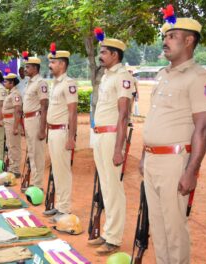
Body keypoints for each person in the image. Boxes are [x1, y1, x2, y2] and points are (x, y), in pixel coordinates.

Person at [140, 16, 206, 263]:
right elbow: (154, 118)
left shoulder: (198, 77)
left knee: (174, 229)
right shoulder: (163, 75)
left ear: (189, 40)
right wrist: (144, 155)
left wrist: (191, 170)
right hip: (152, 159)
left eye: (172, 36)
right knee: (158, 228)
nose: (165, 41)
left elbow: (203, 128)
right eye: (165, 36)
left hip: (174, 162)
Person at [87, 37, 135, 255]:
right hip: (100, 136)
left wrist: (119, 148)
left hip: (112, 137)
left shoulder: (122, 77)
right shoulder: (107, 77)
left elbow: (124, 114)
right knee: (105, 186)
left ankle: (114, 239)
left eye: (104, 52)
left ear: (115, 55)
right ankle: (108, 232)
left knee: (113, 188)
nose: (100, 55)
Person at [43, 47, 78, 222]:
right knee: (56, 171)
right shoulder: (56, 83)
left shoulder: (68, 83)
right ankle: (59, 205)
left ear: (62, 64)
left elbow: (73, 112)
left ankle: (64, 208)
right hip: (53, 131)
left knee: (63, 171)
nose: (50, 65)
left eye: (53, 62)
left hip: (62, 132)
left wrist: (71, 137)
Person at [23, 57, 48, 189]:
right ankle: (34, 181)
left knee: (37, 153)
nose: (25, 69)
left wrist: (42, 129)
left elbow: (44, 106)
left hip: (36, 120)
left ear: (35, 68)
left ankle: (37, 184)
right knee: (32, 152)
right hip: (28, 119)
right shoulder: (30, 83)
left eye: (28, 67)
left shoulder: (40, 83)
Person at [2, 72, 23, 177]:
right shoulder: (10, 93)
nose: (4, 83)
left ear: (12, 83)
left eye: (6, 81)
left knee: (14, 145)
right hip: (8, 121)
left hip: (12, 121)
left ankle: (15, 169)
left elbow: (18, 110)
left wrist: (15, 127)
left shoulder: (16, 94)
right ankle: (12, 167)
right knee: (10, 145)